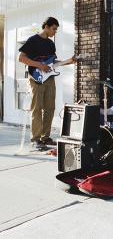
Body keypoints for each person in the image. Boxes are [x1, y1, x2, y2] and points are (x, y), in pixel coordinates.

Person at [19, 17, 76, 149]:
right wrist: (39, 65)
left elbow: (52, 63)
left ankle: (45, 137)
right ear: (46, 27)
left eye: (56, 29)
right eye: (54, 29)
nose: (55, 32)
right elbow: (21, 58)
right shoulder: (33, 40)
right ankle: (35, 139)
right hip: (36, 79)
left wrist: (69, 61)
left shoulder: (51, 44)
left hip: (49, 79)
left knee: (50, 108)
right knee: (37, 109)